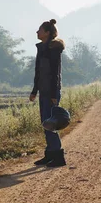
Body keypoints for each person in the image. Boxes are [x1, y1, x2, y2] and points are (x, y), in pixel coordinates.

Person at [29, 18, 66, 167]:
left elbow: (55, 73)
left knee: (51, 124)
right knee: (46, 123)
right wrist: (34, 91)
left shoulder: (54, 49)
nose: (37, 32)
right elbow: (38, 72)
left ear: (47, 32)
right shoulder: (42, 48)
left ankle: (58, 157)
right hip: (43, 91)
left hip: (51, 92)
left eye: (40, 30)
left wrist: (53, 95)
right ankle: (50, 155)